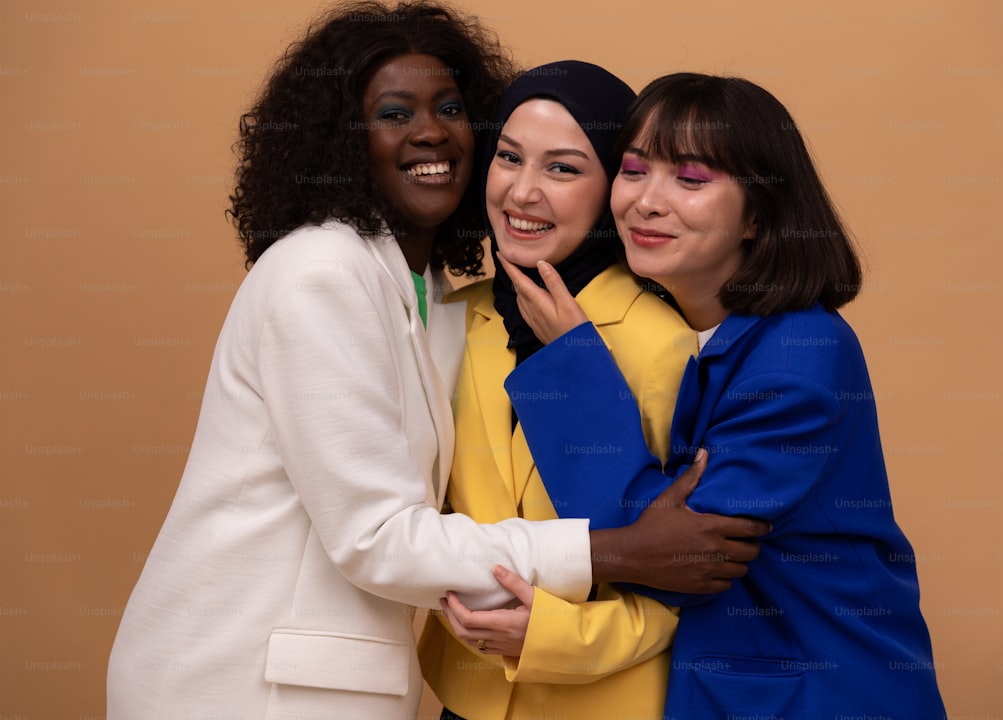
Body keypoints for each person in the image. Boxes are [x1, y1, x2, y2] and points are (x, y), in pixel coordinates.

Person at [106, 7, 768, 719]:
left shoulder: (445, 302)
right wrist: (615, 551)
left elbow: (699, 571)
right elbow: (380, 537)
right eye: (395, 112)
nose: (429, 131)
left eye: (451, 109)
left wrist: (570, 622)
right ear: (342, 141)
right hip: (242, 681)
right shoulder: (323, 277)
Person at [501, 73, 947, 720]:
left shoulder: (801, 355)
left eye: (690, 179)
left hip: (822, 697)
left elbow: (680, 558)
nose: (647, 202)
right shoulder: (699, 335)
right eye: (633, 170)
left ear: (758, 215)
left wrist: (575, 365)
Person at [416, 61, 701, 720]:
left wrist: (550, 635)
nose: (522, 192)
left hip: (606, 701)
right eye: (508, 158)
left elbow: (691, 573)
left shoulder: (666, 343)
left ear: (613, 191)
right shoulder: (455, 317)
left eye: (563, 169)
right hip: (464, 692)